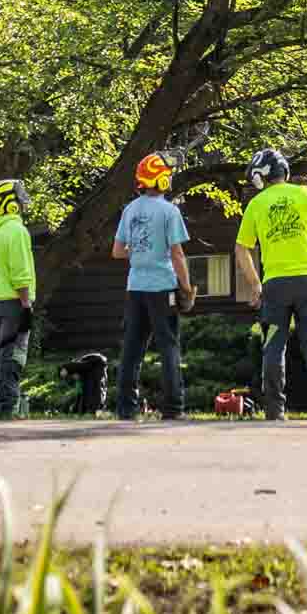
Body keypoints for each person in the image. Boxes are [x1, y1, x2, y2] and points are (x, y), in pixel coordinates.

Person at [233, 149, 307, 422]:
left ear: (260, 178)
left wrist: (254, 284)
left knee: (273, 345)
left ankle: (274, 410)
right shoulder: (306, 194)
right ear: (284, 170)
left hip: (274, 285)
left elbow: (241, 249)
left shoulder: (256, 205)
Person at [112, 151, 195, 420]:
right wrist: (187, 287)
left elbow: (117, 252)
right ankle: (173, 408)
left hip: (135, 287)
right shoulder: (170, 211)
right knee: (168, 346)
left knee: (132, 348)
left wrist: (138, 249)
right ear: (160, 180)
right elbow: (177, 254)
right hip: (163, 288)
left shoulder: (129, 210)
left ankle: (126, 408)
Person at [0, 177, 38, 417]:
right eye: (18, 198)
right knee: (13, 356)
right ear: (10, 204)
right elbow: (20, 271)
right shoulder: (16, 230)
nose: (22, 202)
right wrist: (26, 304)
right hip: (14, 301)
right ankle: (8, 408)